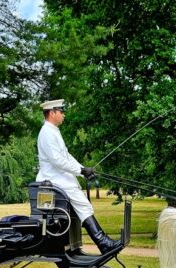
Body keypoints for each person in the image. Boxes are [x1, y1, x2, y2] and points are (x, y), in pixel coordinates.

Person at [36, 99, 122, 254]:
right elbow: (57, 160)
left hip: (61, 178)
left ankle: (100, 242)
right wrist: (81, 171)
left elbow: (66, 156)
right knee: (83, 205)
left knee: (83, 205)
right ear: (51, 113)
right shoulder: (47, 133)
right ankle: (103, 243)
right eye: (61, 111)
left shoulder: (53, 131)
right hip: (54, 179)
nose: (63, 115)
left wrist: (83, 169)